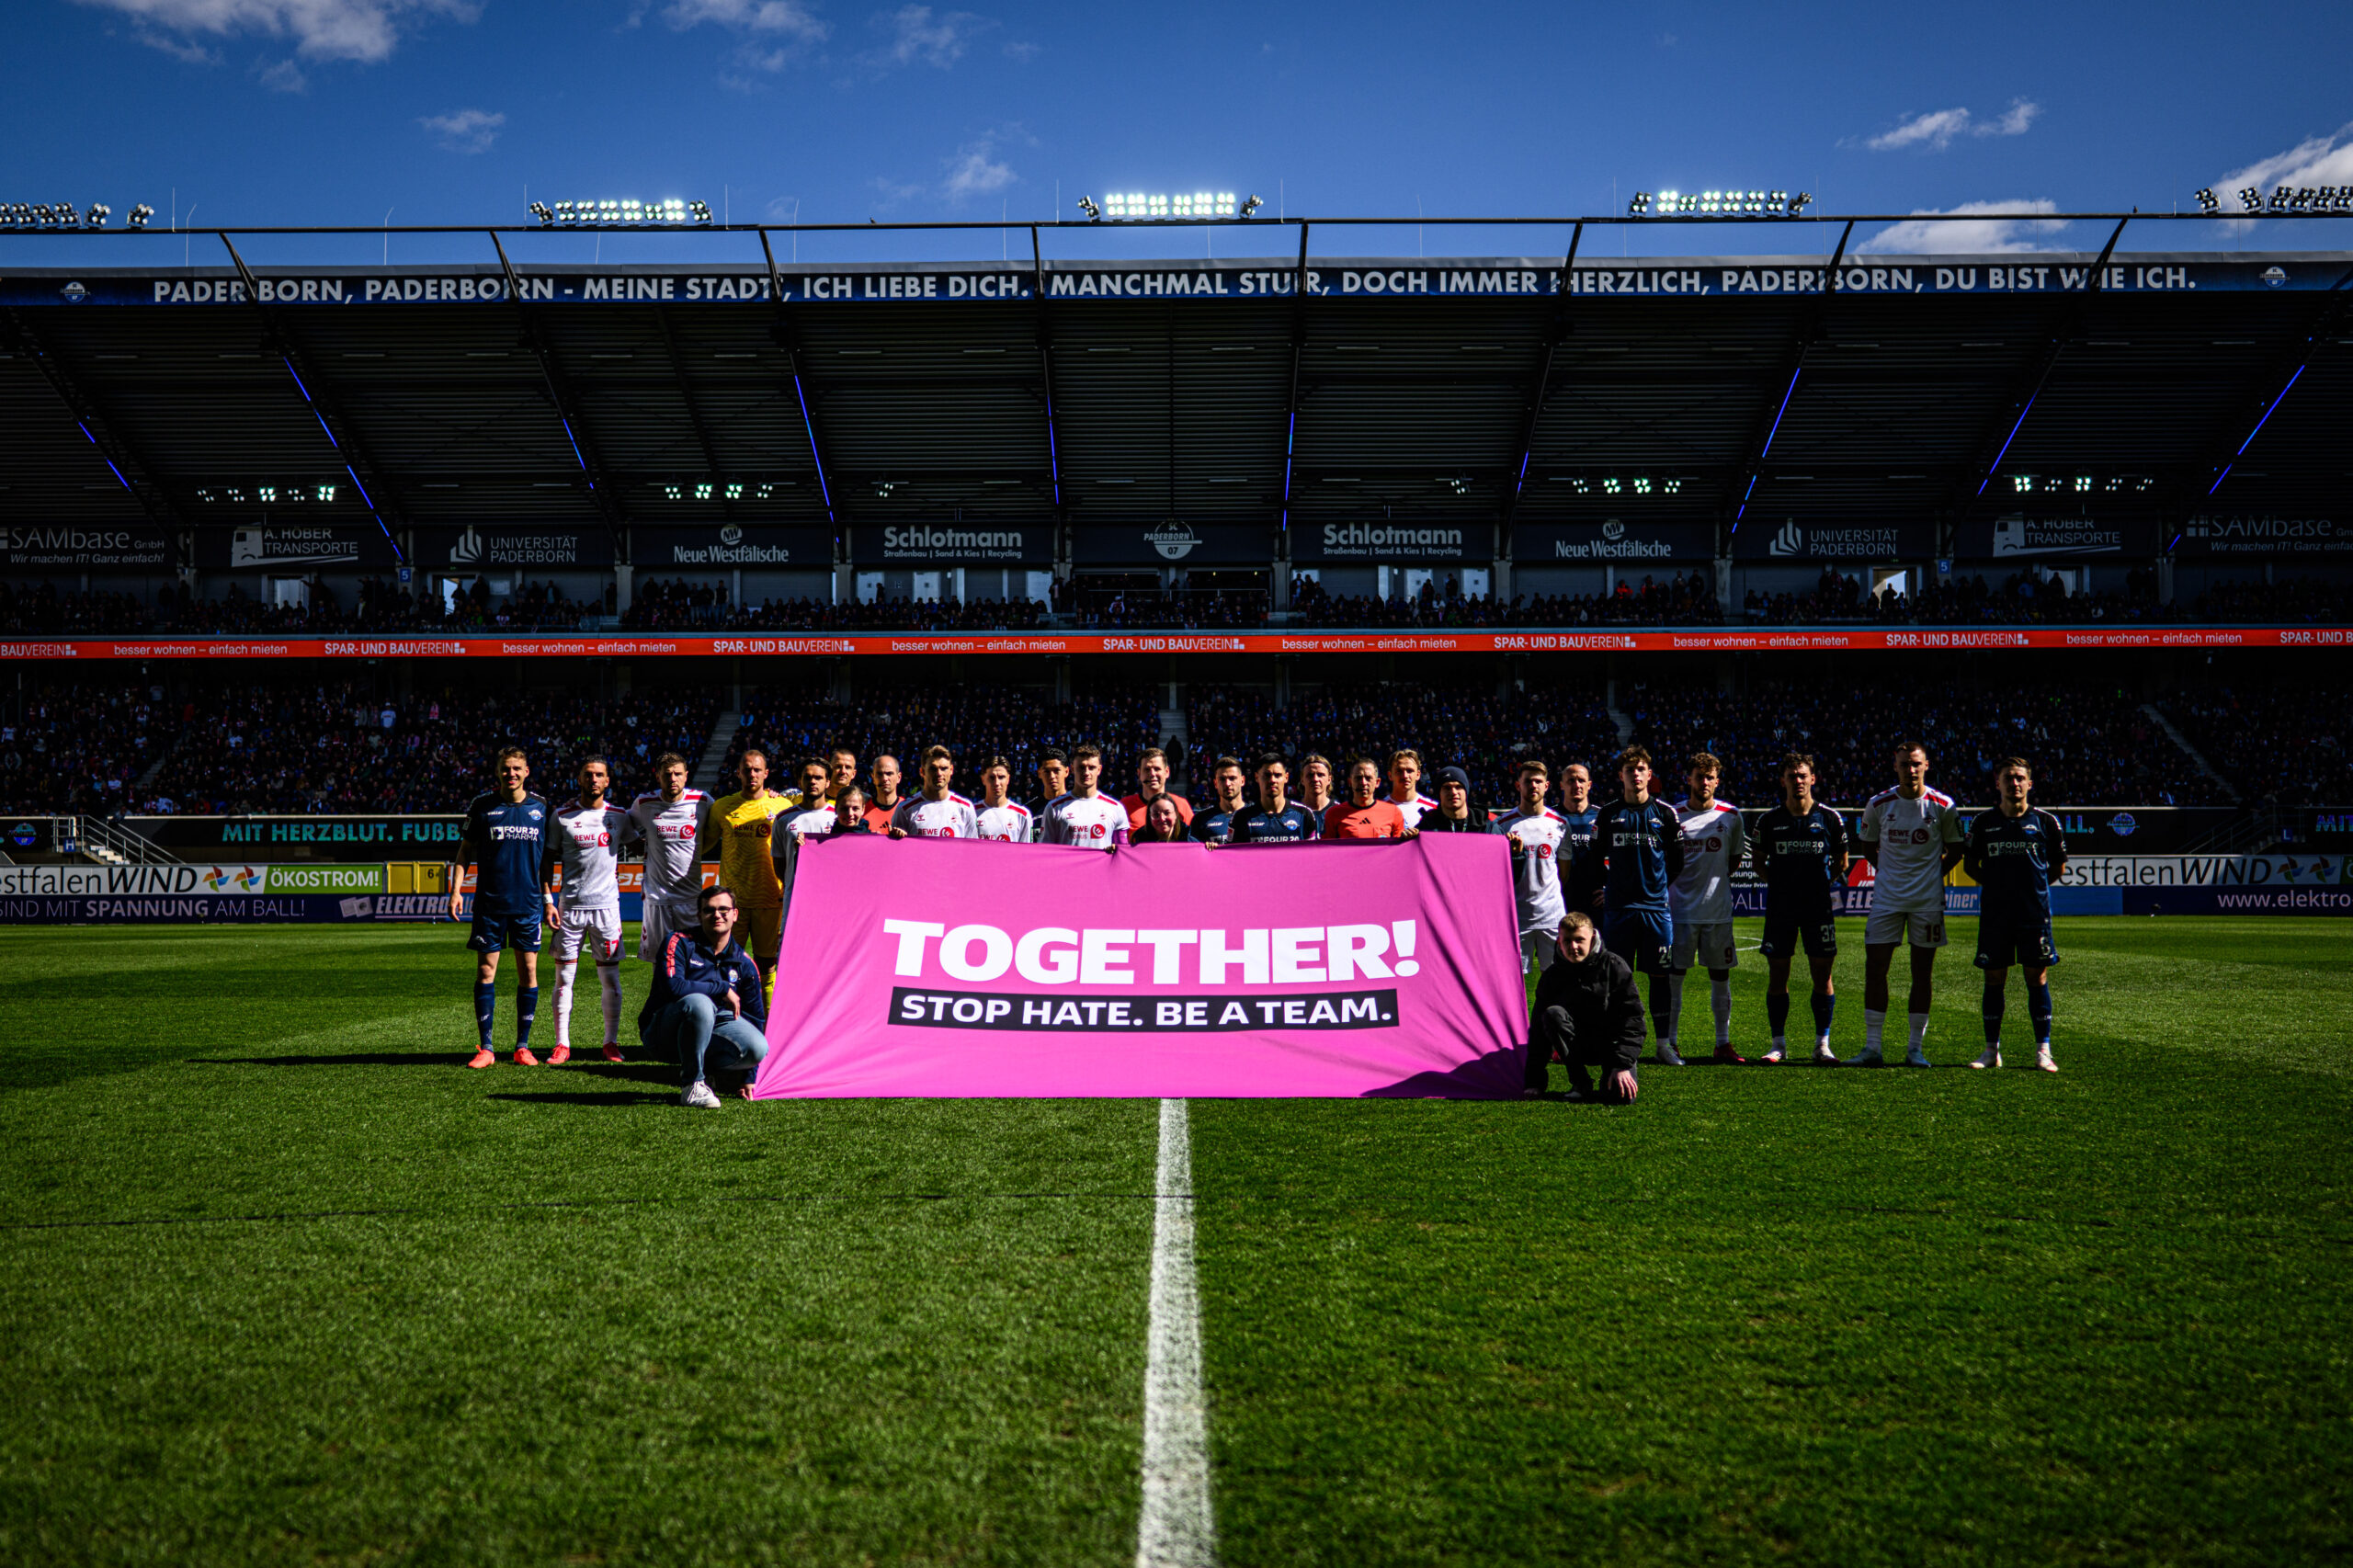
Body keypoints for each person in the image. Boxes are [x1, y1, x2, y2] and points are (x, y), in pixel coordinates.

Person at [1848, 741, 1966, 1067]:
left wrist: (1933, 874)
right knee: (1875, 970)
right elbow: (1869, 848)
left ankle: (1915, 1049)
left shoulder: (1943, 805)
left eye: (1916, 763)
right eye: (1904, 764)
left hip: (1927, 902)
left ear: (1926, 765)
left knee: (1922, 974)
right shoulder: (1879, 803)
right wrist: (1892, 874)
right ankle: (1873, 1048)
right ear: (1895, 766)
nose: (1910, 769)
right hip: (1887, 900)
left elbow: (1956, 849)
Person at [1574, 745, 1684, 1062]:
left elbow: (1676, 861)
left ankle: (1663, 1045)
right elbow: (1594, 860)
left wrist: (1657, 888)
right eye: (1629, 770)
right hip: (1619, 911)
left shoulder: (1665, 814)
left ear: (1649, 775)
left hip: (1655, 911)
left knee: (1660, 977)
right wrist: (1607, 888)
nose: (1635, 775)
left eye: (1640, 769)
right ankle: (1615, 1044)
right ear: (1620, 776)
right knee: (1617, 978)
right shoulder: (1608, 814)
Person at [1965, 756, 2067, 1073]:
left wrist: (2030, 888)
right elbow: (1971, 866)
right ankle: (1991, 1051)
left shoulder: (2046, 822)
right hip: (1996, 914)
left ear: (2029, 784)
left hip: (2033, 914)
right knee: (1993, 978)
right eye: (2008, 778)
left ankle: (2043, 1052)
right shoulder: (1983, 823)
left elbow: (2058, 866)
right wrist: (1998, 888)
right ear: (1998, 783)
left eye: (2020, 778)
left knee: (2036, 977)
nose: (2014, 783)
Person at [449, 745, 549, 1068]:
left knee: (529, 971)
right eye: (506, 768)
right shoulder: (482, 805)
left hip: (528, 904)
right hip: (490, 904)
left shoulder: (541, 808)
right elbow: (465, 852)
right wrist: (456, 891)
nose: (511, 774)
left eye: (517, 768)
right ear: (498, 772)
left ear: (526, 771)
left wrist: (548, 900)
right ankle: (487, 1048)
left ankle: (523, 1046)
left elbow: (546, 860)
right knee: (485, 971)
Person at [1751, 752, 1848, 1064]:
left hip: (1818, 908)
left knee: (1823, 974)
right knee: (1778, 973)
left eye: (1802, 775)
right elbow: (1757, 864)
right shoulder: (1769, 820)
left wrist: (1816, 887)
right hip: (1781, 908)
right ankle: (1778, 1044)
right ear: (1783, 781)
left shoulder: (1830, 819)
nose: (1798, 781)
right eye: (1792, 776)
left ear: (1813, 779)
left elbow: (1841, 862)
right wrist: (1781, 886)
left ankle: (1822, 1044)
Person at [639, 884, 768, 1109]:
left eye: (724, 910)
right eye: (709, 910)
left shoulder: (745, 964)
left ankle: (711, 1072)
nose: (717, 915)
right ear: (699, 915)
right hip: (662, 1033)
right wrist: (720, 988)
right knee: (699, 1003)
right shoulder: (679, 941)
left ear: (735, 914)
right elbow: (673, 987)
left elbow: (756, 1019)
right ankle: (693, 1084)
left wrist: (749, 1076)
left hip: (713, 1027)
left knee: (757, 1048)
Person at [540, 756, 631, 1065]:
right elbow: (547, 861)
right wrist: (548, 901)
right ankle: (562, 1044)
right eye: (588, 774)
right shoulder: (562, 816)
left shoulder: (620, 816)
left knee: (611, 980)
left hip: (606, 909)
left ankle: (610, 1043)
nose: (593, 780)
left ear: (608, 781)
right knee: (564, 978)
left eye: (599, 775)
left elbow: (642, 845)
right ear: (579, 779)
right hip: (570, 909)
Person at [1666, 751, 1747, 1065]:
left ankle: (1722, 1043)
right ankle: (1671, 1042)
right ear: (1689, 779)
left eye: (1710, 777)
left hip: (1717, 912)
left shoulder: (1731, 815)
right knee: (1675, 979)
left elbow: (1734, 860)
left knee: (1721, 978)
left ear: (1717, 780)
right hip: (1680, 912)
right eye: (1699, 776)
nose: (1704, 782)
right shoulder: (1672, 815)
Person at [1525, 913, 1643, 1103]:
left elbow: (1633, 1019)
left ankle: (1612, 1074)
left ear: (1593, 938)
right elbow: (1538, 1033)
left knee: (1620, 1099)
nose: (1574, 947)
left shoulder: (1615, 966)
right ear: (1559, 942)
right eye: (1568, 941)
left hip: (1611, 1046)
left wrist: (1622, 1065)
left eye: (1580, 940)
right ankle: (1580, 1083)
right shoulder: (1551, 977)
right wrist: (1534, 1082)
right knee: (1552, 1014)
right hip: (1577, 1046)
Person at [708, 747, 790, 1000]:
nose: (752, 774)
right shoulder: (722, 807)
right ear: (738, 773)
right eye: (747, 770)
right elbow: (704, 844)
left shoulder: (782, 806)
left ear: (766, 773)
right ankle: (726, 1023)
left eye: (757, 770)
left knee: (767, 966)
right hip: (734, 904)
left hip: (770, 900)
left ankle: (769, 1028)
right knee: (728, 965)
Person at [628, 752, 712, 966]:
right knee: (660, 962)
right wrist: (641, 846)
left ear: (686, 776)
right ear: (658, 777)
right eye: (667, 774)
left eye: (677, 774)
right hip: (658, 898)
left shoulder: (702, 801)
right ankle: (664, 1000)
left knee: (695, 961)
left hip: (691, 897)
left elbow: (727, 818)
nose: (672, 779)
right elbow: (623, 824)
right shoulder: (645, 803)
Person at [1494, 760, 1567, 974]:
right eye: (1528, 781)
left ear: (1546, 786)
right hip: (1517, 917)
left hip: (1552, 915)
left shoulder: (1560, 823)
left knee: (1556, 980)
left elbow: (1564, 872)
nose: (1533, 785)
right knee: (1513, 982)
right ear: (1519, 785)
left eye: (1538, 781)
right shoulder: (1503, 824)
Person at [1040, 744, 1129, 848]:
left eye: (1091, 768)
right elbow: (1045, 850)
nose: (1086, 773)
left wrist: (1115, 849)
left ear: (1099, 770)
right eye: (1081, 767)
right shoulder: (1054, 807)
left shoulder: (1115, 808)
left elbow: (1122, 850)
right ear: (1072, 769)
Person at [776, 757, 837, 903]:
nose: (813, 782)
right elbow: (779, 863)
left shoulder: (837, 817)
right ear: (799, 782)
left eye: (818, 777)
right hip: (795, 898)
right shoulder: (783, 819)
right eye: (808, 777)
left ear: (827, 782)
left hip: (829, 896)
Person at [892, 744, 980, 838]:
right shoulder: (905, 809)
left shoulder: (965, 808)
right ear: (922, 772)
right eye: (933, 769)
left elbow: (971, 849)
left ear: (951, 770)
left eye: (944, 768)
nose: (939, 773)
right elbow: (896, 849)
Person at [1229, 754, 1320, 843]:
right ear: (1257, 777)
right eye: (1267, 775)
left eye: (1278, 775)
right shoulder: (1240, 817)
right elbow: (1229, 855)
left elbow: (1313, 854)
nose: (1272, 780)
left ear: (1286, 777)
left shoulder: (1304, 815)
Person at [1556, 763, 1602, 936]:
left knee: (1596, 955)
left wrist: (1610, 889)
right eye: (1571, 780)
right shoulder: (1552, 818)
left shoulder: (1602, 817)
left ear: (1589, 785)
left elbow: (1618, 857)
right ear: (1562, 785)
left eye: (1581, 780)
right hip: (1561, 900)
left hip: (1596, 901)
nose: (1577, 785)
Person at [1324, 756, 1411, 839]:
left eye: (1368, 778)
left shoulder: (1393, 812)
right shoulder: (1334, 814)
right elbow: (1326, 850)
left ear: (1377, 782)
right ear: (1350, 782)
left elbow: (1400, 849)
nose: (1363, 782)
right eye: (1358, 778)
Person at [1120, 746, 1193, 831]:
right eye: (1147, 769)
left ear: (1167, 772)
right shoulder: (1124, 806)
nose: (1152, 774)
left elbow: (1194, 840)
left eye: (1157, 769)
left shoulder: (1181, 806)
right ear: (1139, 773)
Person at [1188, 755, 1250, 844]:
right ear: (1215, 783)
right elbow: (1193, 854)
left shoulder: (1257, 816)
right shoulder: (1200, 819)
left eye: (1232, 778)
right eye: (1222, 779)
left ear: (1242, 781)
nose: (1227, 784)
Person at [972, 755, 1034, 842]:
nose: (996, 783)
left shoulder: (1022, 815)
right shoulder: (971, 813)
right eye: (992, 777)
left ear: (1008, 779)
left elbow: (1026, 853)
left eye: (1001, 777)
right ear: (983, 779)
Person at [1416, 766, 1489, 833]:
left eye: (1458, 787)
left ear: (1466, 792)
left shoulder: (1486, 825)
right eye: (1447, 788)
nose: (1453, 792)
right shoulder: (1427, 826)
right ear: (1439, 793)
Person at [1384, 748, 1437, 829]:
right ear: (1390, 775)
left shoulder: (1433, 808)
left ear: (1418, 775)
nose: (1405, 776)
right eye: (1399, 771)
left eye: (1409, 771)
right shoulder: (1378, 809)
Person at [862, 754, 906, 833]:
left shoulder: (908, 809)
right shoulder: (861, 811)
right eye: (879, 774)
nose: (885, 778)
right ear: (873, 778)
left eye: (889, 774)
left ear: (899, 777)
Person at [1028, 749, 1070, 823]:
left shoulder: (1078, 807)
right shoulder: (1028, 811)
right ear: (1039, 773)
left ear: (1066, 772)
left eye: (1056, 770)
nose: (1052, 776)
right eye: (1047, 771)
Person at [1296, 753, 1337, 819]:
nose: (1315, 779)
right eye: (1310, 775)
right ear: (1302, 780)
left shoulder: (1339, 812)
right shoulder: (1291, 812)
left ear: (1329, 779)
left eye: (1320, 775)